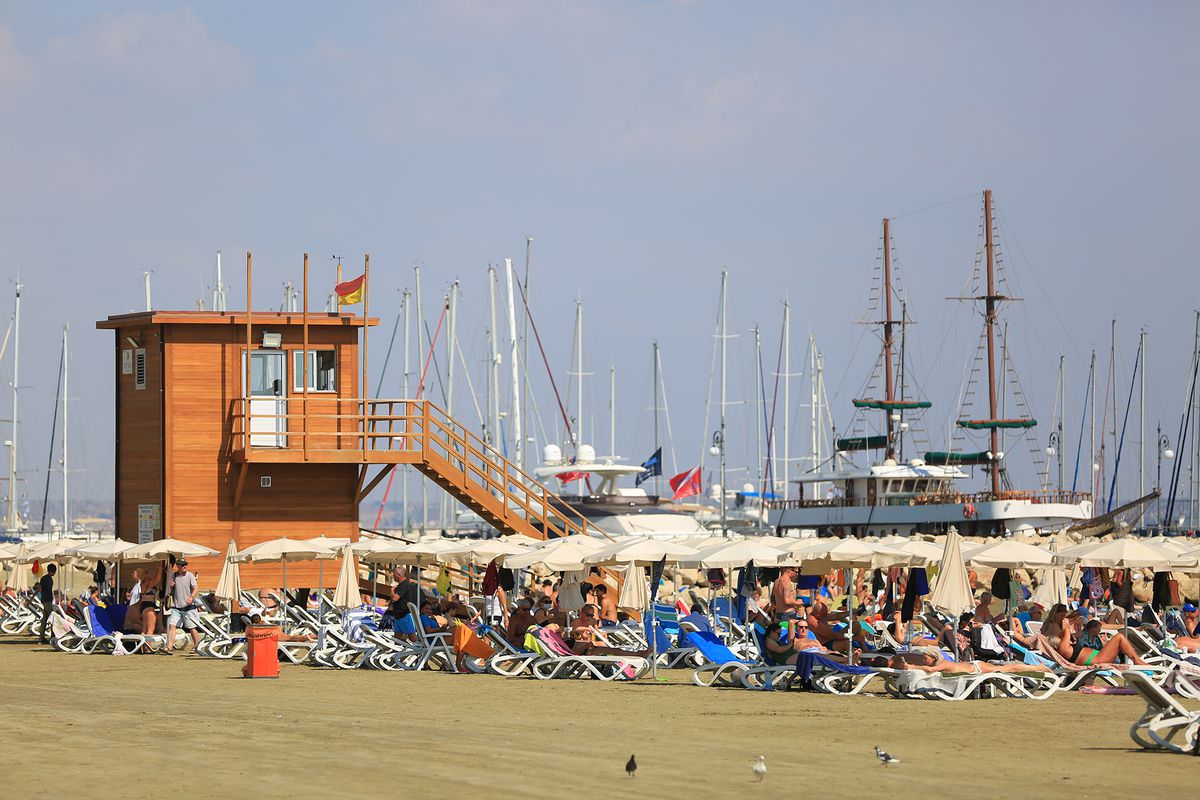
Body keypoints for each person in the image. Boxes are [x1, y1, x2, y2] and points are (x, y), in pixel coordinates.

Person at [568, 605, 649, 657]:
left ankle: (639, 653)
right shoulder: (576, 622)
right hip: (580, 648)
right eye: (587, 615)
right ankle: (639, 654)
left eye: (591, 615)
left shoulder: (592, 621)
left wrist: (603, 635)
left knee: (613, 649)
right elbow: (573, 630)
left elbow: (597, 633)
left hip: (591, 646)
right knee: (601, 647)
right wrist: (586, 629)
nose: (589, 617)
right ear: (582, 613)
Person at [165, 558, 203, 654]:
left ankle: (197, 646)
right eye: (182, 565)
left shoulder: (190, 576)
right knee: (172, 626)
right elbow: (170, 591)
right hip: (176, 607)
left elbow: (195, 588)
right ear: (178, 566)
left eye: (185, 564)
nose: (184, 566)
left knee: (192, 627)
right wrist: (171, 586)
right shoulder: (174, 575)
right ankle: (169, 647)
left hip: (189, 607)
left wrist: (191, 597)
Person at [37, 564, 57, 644]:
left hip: (45, 600)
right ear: (53, 571)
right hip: (47, 600)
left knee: (45, 619)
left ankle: (41, 638)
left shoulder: (43, 578)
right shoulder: (49, 579)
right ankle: (53, 637)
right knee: (53, 618)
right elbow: (42, 589)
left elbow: (39, 589)